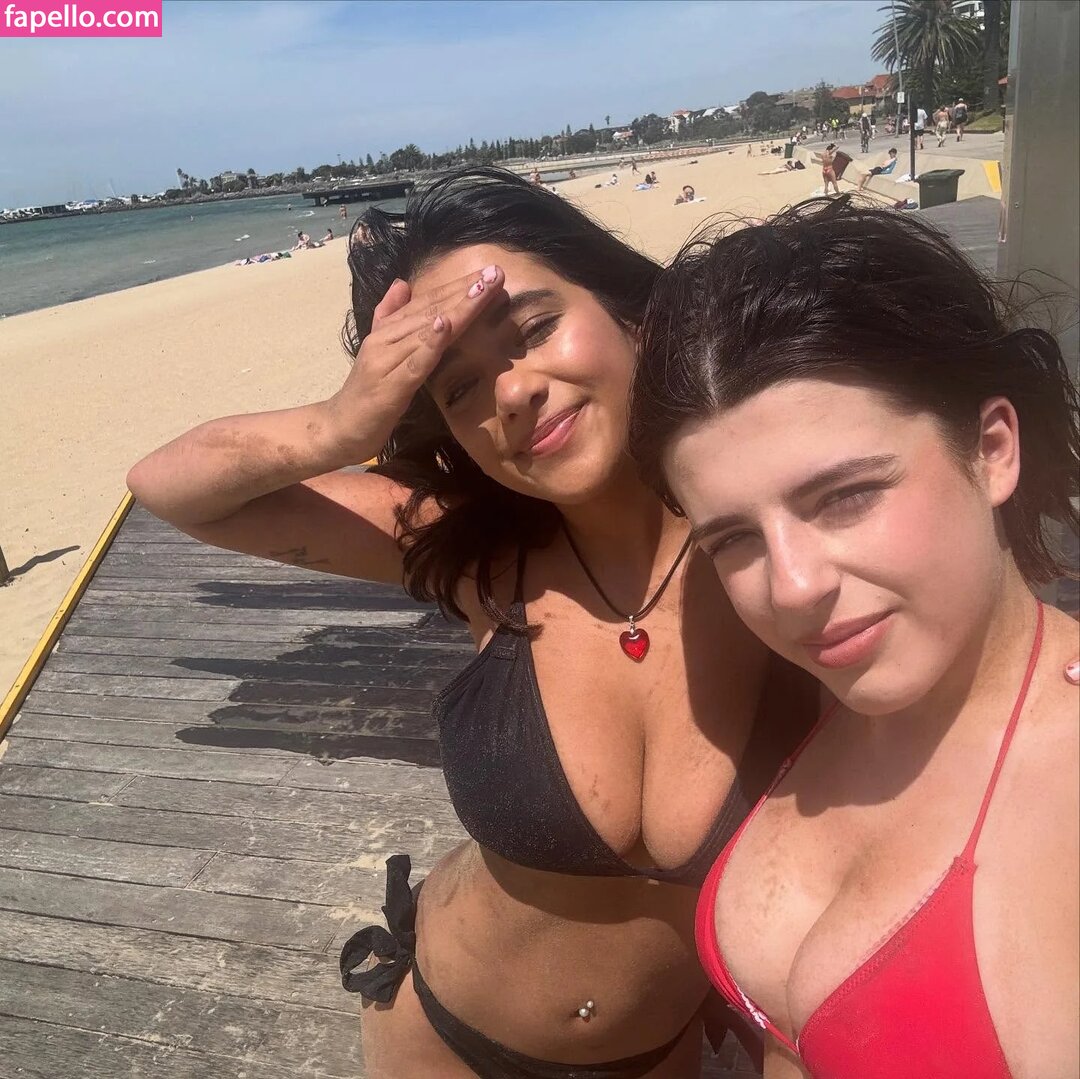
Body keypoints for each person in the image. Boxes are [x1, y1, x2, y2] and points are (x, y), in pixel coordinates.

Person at [126, 168, 817, 1079]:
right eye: (460, 389)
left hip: (657, 1054)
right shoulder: (486, 561)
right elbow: (167, 488)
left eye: (533, 329)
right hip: (445, 1037)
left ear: (632, 313)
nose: (513, 392)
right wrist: (341, 424)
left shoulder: (784, 556)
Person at [629, 195, 1080, 1079]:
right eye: (734, 538)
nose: (793, 588)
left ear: (992, 448)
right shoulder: (826, 691)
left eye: (846, 496)